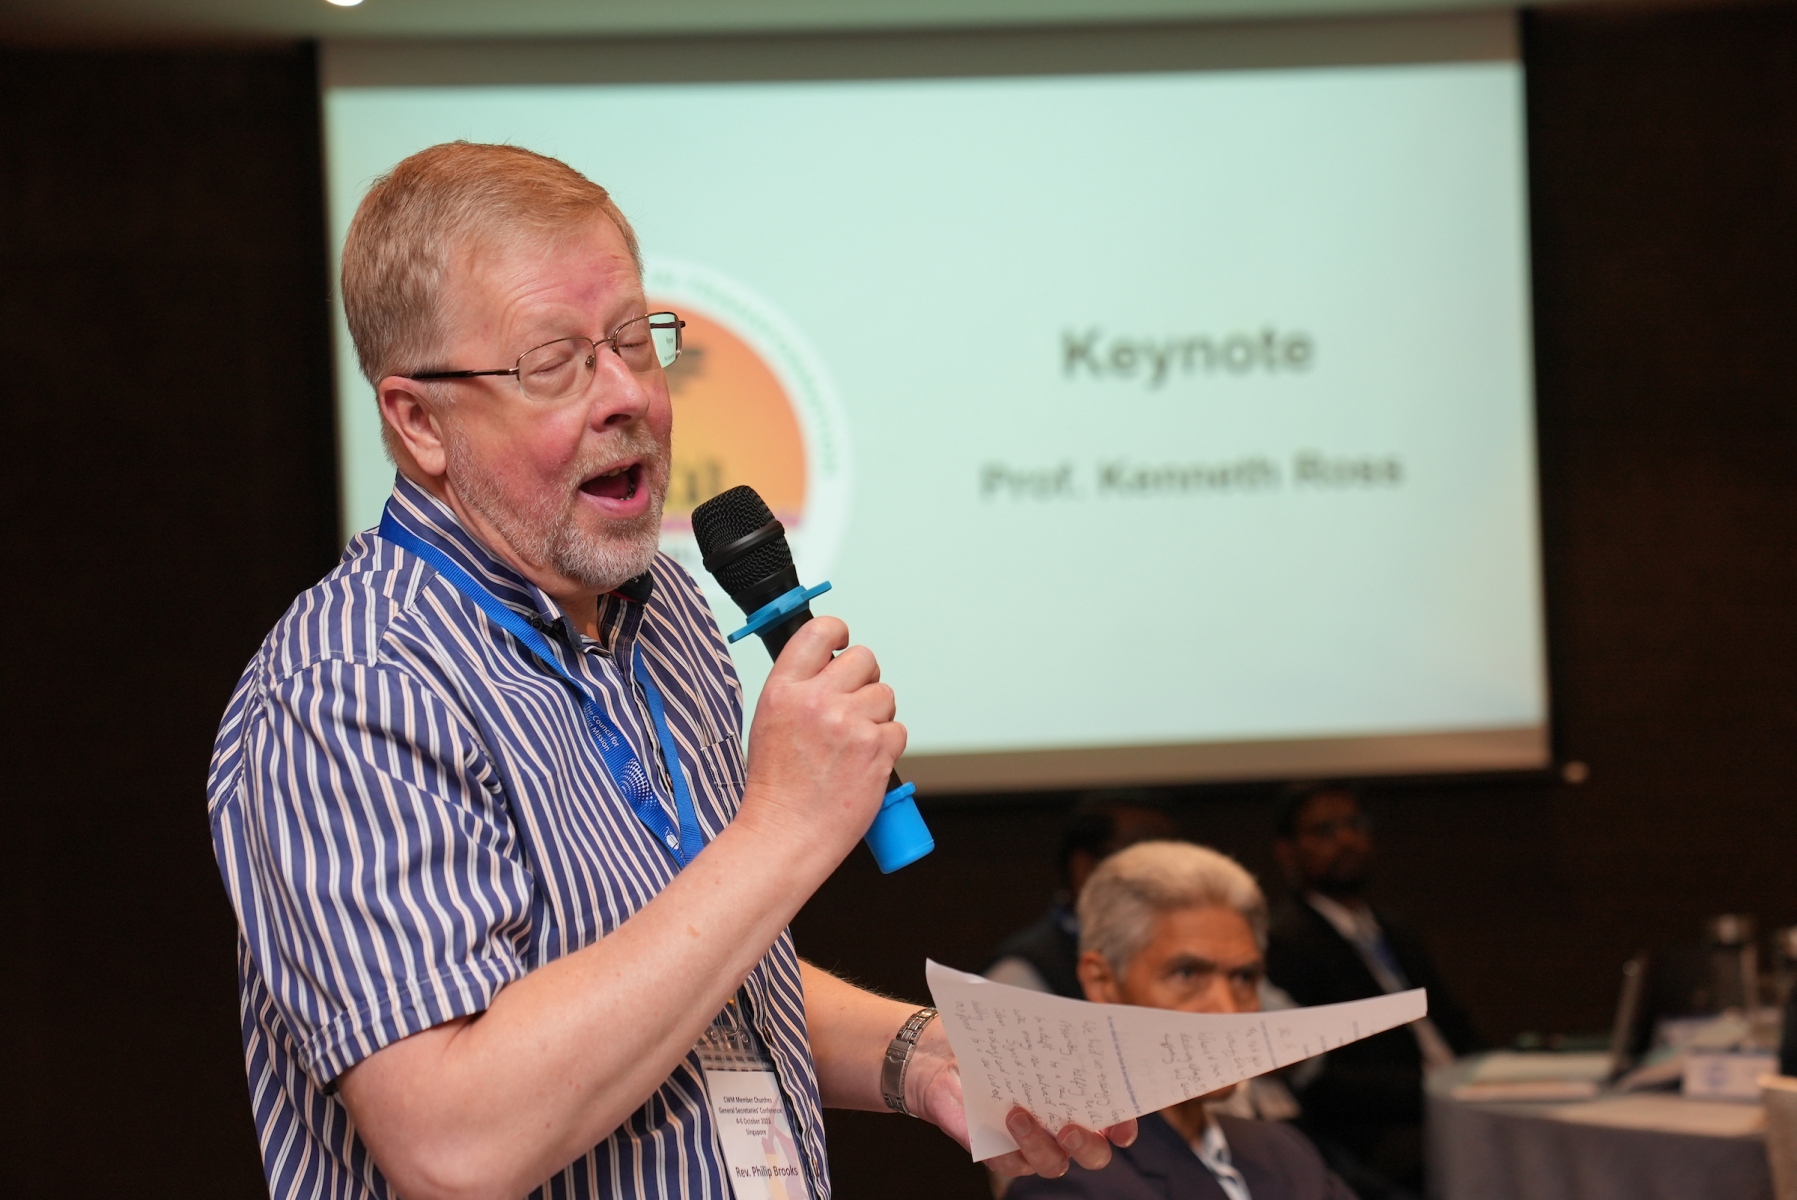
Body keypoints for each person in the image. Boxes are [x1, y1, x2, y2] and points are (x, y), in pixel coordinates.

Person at [205, 142, 1133, 1200]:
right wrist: (782, 831)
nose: (627, 397)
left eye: (633, 341)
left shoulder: (667, 610)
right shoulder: (351, 688)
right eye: (554, 362)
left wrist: (919, 1056)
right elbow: (454, 1144)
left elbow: (693, 977)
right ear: (419, 421)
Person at [1010, 841, 1355, 1200]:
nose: (1227, 1010)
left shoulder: (1284, 1152)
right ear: (1103, 983)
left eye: (1244, 978)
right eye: (1187, 973)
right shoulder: (1067, 1184)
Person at [1262, 784, 1481, 1198]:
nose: (1346, 840)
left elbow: (1452, 1023)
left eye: (1355, 825)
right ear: (1287, 851)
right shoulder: (1284, 942)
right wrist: (1432, 1089)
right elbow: (1318, 1078)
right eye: (1325, 830)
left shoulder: (1393, 928)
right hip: (1380, 1133)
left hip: (1454, 1101)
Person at [985, 793, 1180, 997]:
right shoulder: (1021, 974)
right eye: (1145, 859)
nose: (1166, 875)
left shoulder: (1173, 946)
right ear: (1084, 867)